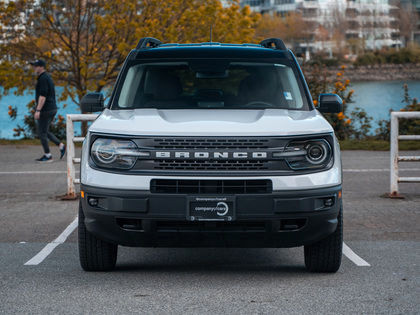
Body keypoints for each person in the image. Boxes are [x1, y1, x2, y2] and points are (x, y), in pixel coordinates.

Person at [30, 59, 65, 162]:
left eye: (36, 66)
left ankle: (48, 155)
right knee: (44, 131)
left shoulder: (43, 78)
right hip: (51, 108)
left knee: (41, 133)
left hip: (46, 109)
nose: (34, 68)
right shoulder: (45, 77)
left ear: (41, 67)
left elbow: (43, 96)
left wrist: (38, 110)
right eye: (34, 66)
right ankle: (61, 145)